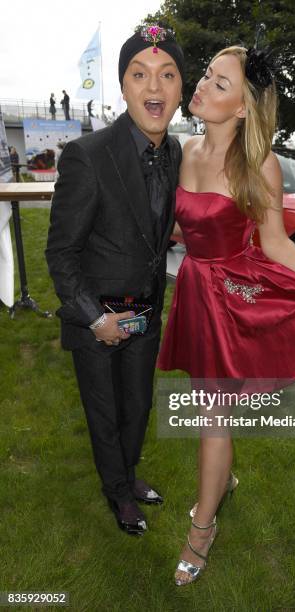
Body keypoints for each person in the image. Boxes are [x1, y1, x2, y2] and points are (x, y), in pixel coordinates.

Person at [157, 45, 295, 586]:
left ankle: (202, 530)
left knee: (213, 415)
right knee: (210, 404)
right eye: (207, 75)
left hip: (235, 298)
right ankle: (223, 478)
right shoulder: (184, 150)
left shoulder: (258, 164)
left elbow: (278, 245)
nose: (203, 86)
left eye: (219, 83)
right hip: (194, 290)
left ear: (241, 108)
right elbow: (182, 228)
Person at [46, 25, 184, 537]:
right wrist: (95, 318)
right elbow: (60, 252)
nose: (155, 87)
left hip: (146, 311)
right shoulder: (88, 156)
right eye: (140, 74)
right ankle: (118, 493)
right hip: (97, 316)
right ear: (123, 87)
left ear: (180, 90)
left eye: (167, 75)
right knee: (105, 415)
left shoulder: (174, 154)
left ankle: (128, 473)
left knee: (138, 407)